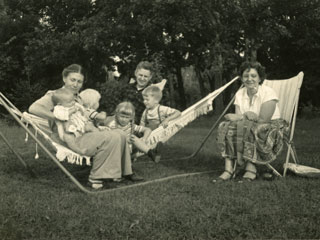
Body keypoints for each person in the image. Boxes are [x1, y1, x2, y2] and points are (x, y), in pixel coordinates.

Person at [28, 64, 143, 190]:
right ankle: (96, 177)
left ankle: (123, 172)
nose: (75, 84)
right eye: (73, 80)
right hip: (70, 137)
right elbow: (33, 108)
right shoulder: (56, 95)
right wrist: (59, 117)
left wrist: (97, 126)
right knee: (111, 136)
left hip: (84, 134)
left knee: (119, 134)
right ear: (64, 78)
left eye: (79, 81)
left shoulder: (77, 98)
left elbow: (84, 118)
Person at [213, 61, 288, 182]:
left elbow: (264, 119)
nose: (249, 79)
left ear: (260, 78)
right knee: (225, 126)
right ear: (242, 78)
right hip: (248, 124)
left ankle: (251, 169)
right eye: (245, 76)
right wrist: (245, 116)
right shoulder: (239, 93)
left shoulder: (268, 92)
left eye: (253, 76)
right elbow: (238, 119)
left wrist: (244, 116)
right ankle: (228, 169)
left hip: (270, 125)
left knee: (255, 129)